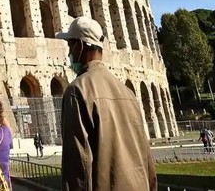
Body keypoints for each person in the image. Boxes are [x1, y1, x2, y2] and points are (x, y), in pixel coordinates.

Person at [56, 17, 157, 190]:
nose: (70, 53)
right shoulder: (128, 93)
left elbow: (77, 164)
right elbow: (146, 157)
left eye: (70, 46)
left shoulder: (78, 90)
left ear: (80, 46)